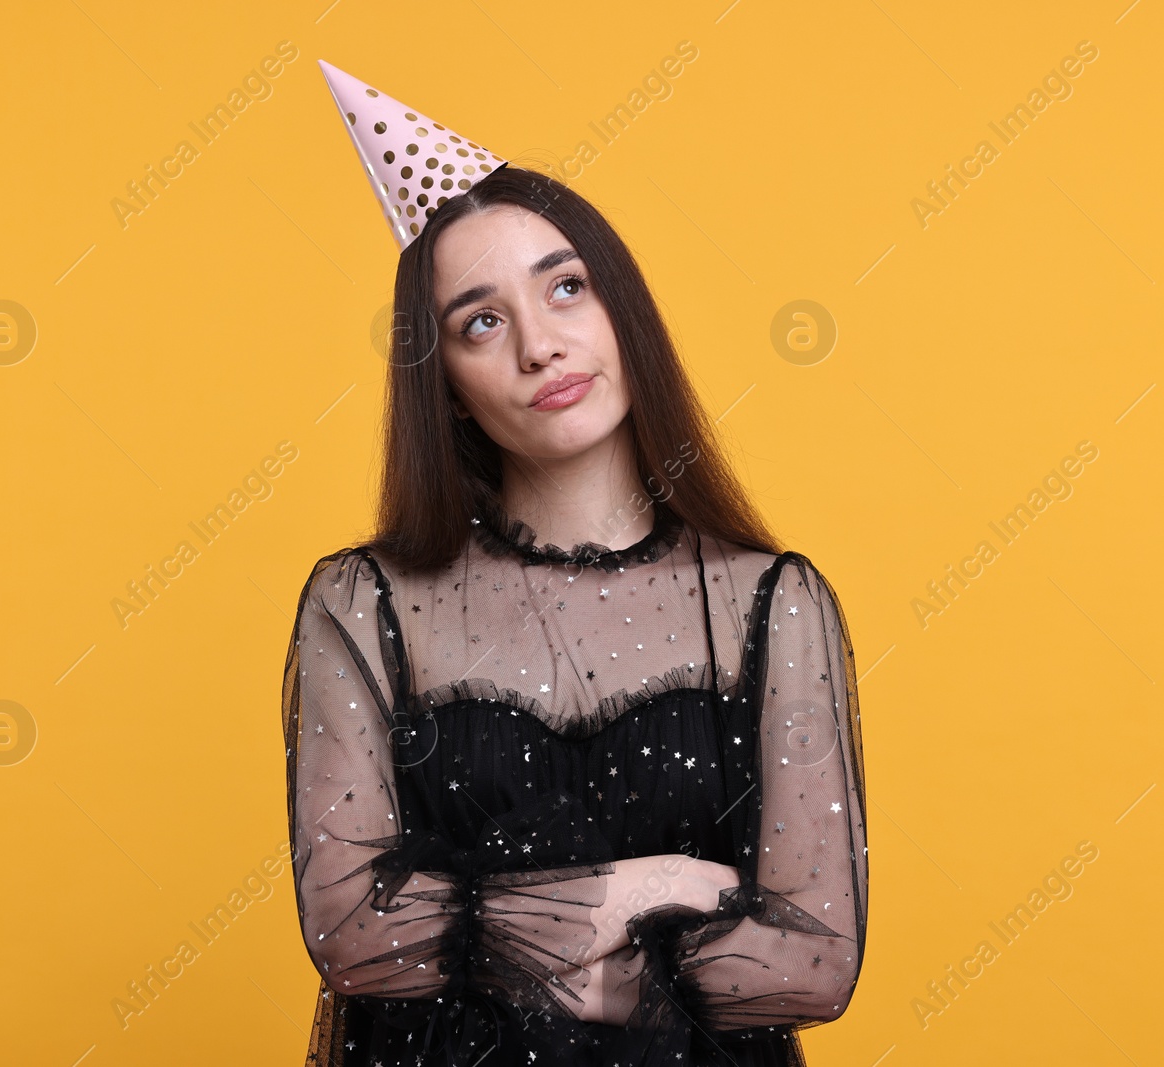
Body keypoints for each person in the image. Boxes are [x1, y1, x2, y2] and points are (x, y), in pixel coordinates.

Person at [281, 62, 867, 1066]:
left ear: (622, 312)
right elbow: (352, 933)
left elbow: (813, 959)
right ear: (448, 385)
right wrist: (634, 891)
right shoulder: (363, 603)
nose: (540, 346)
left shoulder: (772, 601)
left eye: (565, 288)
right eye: (481, 320)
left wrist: (514, 942)